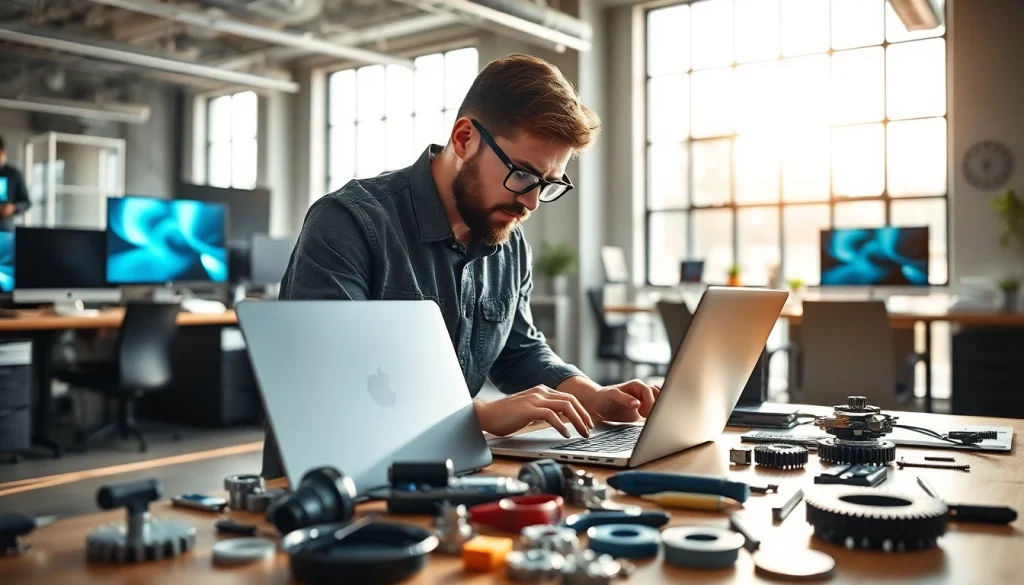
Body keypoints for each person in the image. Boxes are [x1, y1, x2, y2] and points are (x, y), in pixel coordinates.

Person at [262, 54, 660, 478]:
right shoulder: (349, 222)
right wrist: (480, 415)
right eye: (523, 175)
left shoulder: (508, 242)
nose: (530, 202)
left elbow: (518, 351)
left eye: (547, 184)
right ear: (465, 137)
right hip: (328, 484)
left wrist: (593, 397)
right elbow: (332, 375)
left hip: (440, 475)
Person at [0, 135, 30, 232]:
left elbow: (26, 202)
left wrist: (13, 208)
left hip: (5, 228)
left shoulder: (14, 174)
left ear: (3, 151)